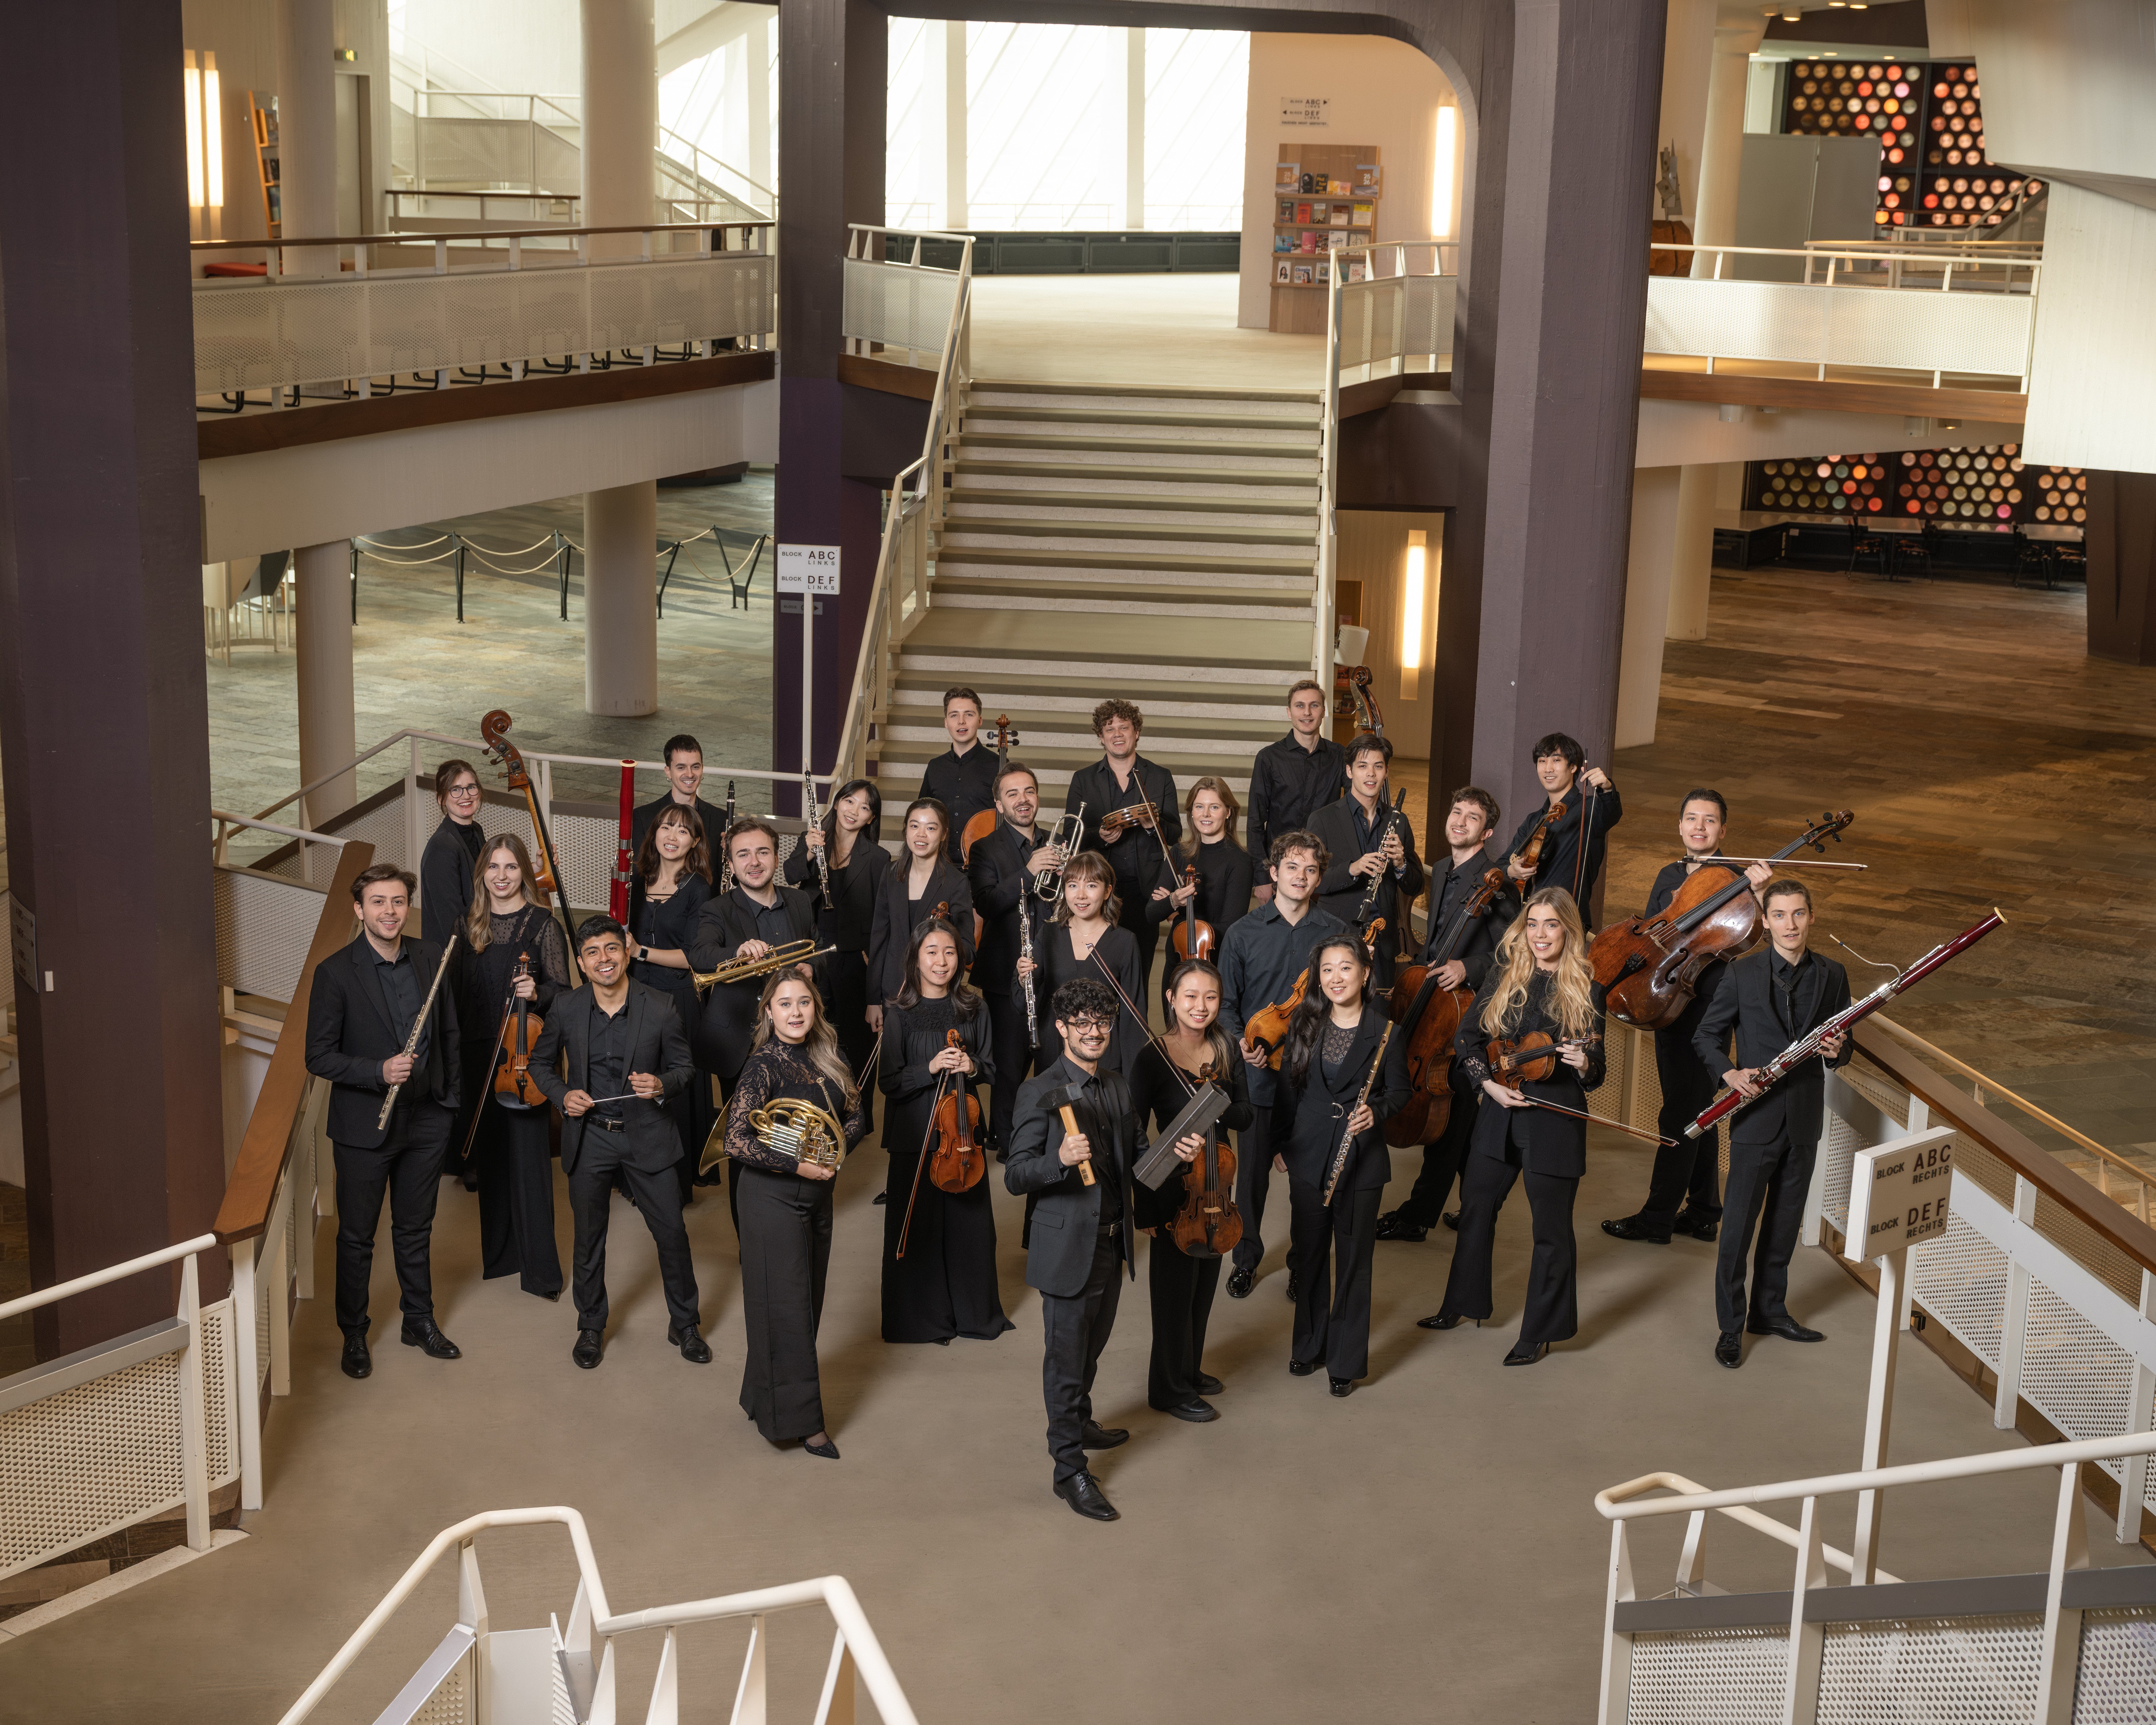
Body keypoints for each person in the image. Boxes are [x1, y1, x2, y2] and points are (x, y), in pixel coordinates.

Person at [1008, 978, 1180, 1522]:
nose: (1094, 1031)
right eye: (1081, 1022)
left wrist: (1176, 1152)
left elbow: (1141, 1159)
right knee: (1065, 1362)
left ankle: (1079, 1421)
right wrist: (1059, 1159)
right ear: (1061, 1027)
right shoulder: (1039, 1091)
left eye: (1102, 1022)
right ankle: (1069, 1470)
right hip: (1066, 1249)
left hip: (1111, 1241)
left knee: (1091, 1349)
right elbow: (1016, 1175)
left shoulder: (1118, 1086)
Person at [1420, 888, 1607, 1366]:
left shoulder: (1588, 989)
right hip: (1500, 1109)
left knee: (1551, 1230)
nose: (1540, 934)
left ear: (1568, 930)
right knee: (1476, 1207)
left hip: (1555, 1120)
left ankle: (1541, 1332)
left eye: (1551, 924)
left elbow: (1597, 1073)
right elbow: (1468, 1038)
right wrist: (1487, 1084)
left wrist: (1584, 1062)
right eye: (1533, 924)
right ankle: (1461, 1303)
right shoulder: (1506, 975)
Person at [303, 863, 464, 1381]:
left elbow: (450, 1033)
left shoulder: (430, 955)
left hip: (427, 1118)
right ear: (359, 909)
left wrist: (450, 1104)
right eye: (378, 902)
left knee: (416, 1227)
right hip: (364, 1126)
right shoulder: (335, 972)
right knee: (357, 1237)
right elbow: (318, 1056)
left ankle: (418, 1320)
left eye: (397, 901)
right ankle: (354, 1332)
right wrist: (378, 1071)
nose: (390, 912)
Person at [528, 917, 706, 1370]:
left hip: (648, 1135)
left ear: (626, 953)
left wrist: (661, 1084)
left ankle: (685, 1324)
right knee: (589, 1239)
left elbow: (686, 1069)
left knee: (672, 1233)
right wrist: (562, 1095)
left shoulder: (661, 1005)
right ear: (581, 963)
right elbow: (539, 1064)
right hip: (591, 1137)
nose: (603, 959)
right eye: (592, 953)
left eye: (611, 949)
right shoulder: (566, 1007)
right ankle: (591, 1324)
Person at [1602, 789, 1773, 1247]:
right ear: (1680, 826)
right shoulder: (1669, 874)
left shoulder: (1738, 881)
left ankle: (1656, 1219)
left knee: (1679, 1114)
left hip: (1707, 1009)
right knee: (1697, 1108)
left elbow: (1762, 935)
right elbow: (1654, 934)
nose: (1699, 827)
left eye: (1709, 820)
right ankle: (1703, 1211)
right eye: (1692, 818)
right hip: (1668, 998)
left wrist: (1759, 895)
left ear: (1723, 830)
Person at [1693, 878, 1852, 1369]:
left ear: (1812, 916)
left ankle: (1770, 1312)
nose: (1790, 924)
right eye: (1779, 915)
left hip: (1803, 1116)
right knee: (1738, 1229)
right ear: (1765, 921)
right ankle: (1730, 1327)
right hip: (1756, 1119)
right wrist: (1730, 1073)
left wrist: (1837, 1051)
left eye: (1799, 914)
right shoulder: (1741, 973)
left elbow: (1845, 1045)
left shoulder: (1833, 974)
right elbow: (1706, 1037)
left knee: (1784, 1224)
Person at [725, 968, 868, 1456]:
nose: (795, 1012)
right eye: (784, 1004)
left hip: (818, 1192)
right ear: (769, 1012)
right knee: (786, 1309)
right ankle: (807, 1425)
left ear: (816, 1007)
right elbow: (736, 1141)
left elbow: (857, 1114)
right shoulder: (762, 1066)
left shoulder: (831, 1055)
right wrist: (800, 1164)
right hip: (770, 1198)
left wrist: (834, 1154)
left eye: (804, 1002)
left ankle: (760, 1396)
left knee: (804, 1304)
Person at [1377, 786, 1519, 1242]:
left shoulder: (1499, 884)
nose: (1459, 821)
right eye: (1456, 811)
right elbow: (1439, 939)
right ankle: (1482, 1204)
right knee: (1461, 1123)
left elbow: (1514, 955)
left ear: (1487, 832)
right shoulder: (1440, 868)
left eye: (1472, 817)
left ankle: (1418, 1216)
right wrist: (1418, 975)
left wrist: (1468, 967)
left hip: (1469, 1013)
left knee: (1450, 1121)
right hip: (1435, 1006)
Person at [1272, 938, 1411, 1395]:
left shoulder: (1386, 1032)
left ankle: (1345, 1361)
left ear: (1365, 973)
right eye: (1327, 969)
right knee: (1309, 1254)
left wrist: (1377, 1110)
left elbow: (1401, 1092)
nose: (1335, 978)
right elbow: (1288, 1090)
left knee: (1354, 1262)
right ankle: (1309, 1345)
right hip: (1308, 1151)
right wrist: (1280, 1143)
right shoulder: (1304, 1024)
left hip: (1361, 1159)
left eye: (1345, 968)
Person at [1216, 831, 1348, 1301]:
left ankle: (1302, 1265)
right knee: (1251, 1178)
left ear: (1319, 878)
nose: (1301, 876)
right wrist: (1241, 1044)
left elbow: (1347, 1003)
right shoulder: (1242, 932)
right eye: (1292, 867)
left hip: (1313, 1080)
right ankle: (1245, 1259)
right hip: (1257, 1078)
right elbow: (1226, 1004)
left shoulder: (1336, 934)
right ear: (1274, 873)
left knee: (1307, 1183)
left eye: (1311, 869)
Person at [1127, 960, 1253, 1421]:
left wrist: (1214, 1104)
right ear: (1172, 999)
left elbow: (1245, 1115)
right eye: (1191, 996)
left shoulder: (1225, 1050)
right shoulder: (1152, 1057)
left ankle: (1189, 1370)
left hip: (1214, 1188)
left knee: (1201, 1290)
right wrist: (1144, 1207)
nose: (1201, 1006)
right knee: (1173, 1295)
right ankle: (1167, 1388)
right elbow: (1134, 1133)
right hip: (1172, 1189)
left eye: (1211, 997)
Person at [877, 919, 1012, 1345]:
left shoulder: (975, 1008)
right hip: (915, 1135)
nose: (941, 961)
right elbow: (889, 1081)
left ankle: (972, 1315)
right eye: (932, 952)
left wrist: (972, 1066)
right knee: (917, 1227)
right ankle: (920, 1320)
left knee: (969, 1229)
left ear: (961, 958)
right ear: (916, 959)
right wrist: (930, 1068)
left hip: (962, 1135)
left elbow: (991, 1068)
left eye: (950, 952)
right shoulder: (898, 1012)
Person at [457, 835, 570, 1302]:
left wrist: (537, 992)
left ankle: (540, 1271)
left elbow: (564, 993)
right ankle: (502, 1257)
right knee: (491, 1159)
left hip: (523, 1058)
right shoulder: (469, 926)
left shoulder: (543, 925)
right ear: (482, 873)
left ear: (524, 871)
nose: (501, 876)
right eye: (493, 867)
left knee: (529, 1163)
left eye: (510, 867)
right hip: (479, 1057)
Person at [688, 818, 823, 1099]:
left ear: (776, 858)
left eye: (763, 852)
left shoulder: (800, 901)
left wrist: (811, 967)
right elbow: (700, 954)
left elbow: (818, 949)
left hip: (798, 1034)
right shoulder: (717, 909)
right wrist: (737, 954)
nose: (754, 862)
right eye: (743, 854)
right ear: (731, 865)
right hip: (741, 1040)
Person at [968, 763, 1062, 1153]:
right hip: (1006, 968)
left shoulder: (1056, 842)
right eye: (1012, 794)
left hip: (1054, 964)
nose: (1022, 800)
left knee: (1052, 1059)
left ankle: (1044, 1138)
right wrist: (1028, 871)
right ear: (999, 803)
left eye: (1029, 791)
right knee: (1009, 1063)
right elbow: (987, 903)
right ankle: (1007, 1143)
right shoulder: (985, 849)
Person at [626, 805, 717, 1198]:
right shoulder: (636, 880)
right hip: (635, 993)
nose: (672, 836)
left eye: (683, 831)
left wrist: (640, 952)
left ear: (695, 842)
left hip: (678, 998)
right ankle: (637, 1177)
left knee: (673, 1086)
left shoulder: (698, 889)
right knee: (638, 1079)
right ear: (655, 833)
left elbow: (695, 956)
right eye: (667, 827)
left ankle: (676, 1182)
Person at [785, 778, 888, 1124]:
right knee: (812, 1034)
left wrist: (874, 976)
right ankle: (814, 1111)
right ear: (838, 802)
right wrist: (809, 850)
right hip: (813, 953)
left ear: (871, 818)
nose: (854, 811)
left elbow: (881, 919)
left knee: (855, 1040)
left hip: (854, 957)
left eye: (864, 807)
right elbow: (790, 874)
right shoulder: (814, 838)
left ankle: (857, 1116)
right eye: (849, 801)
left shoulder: (878, 858)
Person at [1064, 699, 1180, 1002]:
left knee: (1137, 976)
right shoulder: (1083, 779)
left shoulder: (1160, 776)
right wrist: (1100, 837)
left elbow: (1176, 834)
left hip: (1145, 894)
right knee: (1097, 975)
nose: (1117, 734)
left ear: (1136, 732)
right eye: (1109, 729)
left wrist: (1153, 826)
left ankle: (1133, 1030)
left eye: (1124, 728)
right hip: (1098, 894)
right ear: (1101, 737)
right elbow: (1071, 834)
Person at [1306, 731, 1426, 991]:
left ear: (1386, 772)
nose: (1371, 774)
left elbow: (1416, 886)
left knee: (1378, 1008)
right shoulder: (1323, 819)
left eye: (1378, 767)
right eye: (1363, 766)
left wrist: (1401, 864)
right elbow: (1311, 881)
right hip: (1337, 935)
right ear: (1349, 771)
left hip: (1383, 939)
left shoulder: (1398, 821)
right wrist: (1353, 869)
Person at [1021, 851, 1147, 1076]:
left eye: (1091, 886)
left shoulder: (1125, 941)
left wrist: (1131, 1080)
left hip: (1102, 1051)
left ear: (1107, 891)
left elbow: (1134, 1019)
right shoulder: (1049, 933)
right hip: (1054, 1049)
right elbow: (1027, 1000)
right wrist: (1023, 979)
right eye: (1072, 886)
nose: (1081, 896)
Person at [1144, 777, 1255, 1012]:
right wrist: (1174, 900)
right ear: (1192, 813)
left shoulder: (1240, 861)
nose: (1206, 814)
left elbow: (1231, 927)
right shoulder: (1178, 853)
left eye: (1214, 807)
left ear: (1228, 812)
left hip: (1215, 965)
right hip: (1177, 963)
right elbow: (1151, 914)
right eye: (1199, 807)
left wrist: (1179, 920)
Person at [866, 797, 976, 1022]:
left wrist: (941, 953)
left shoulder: (956, 883)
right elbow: (879, 939)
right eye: (915, 826)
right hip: (893, 992)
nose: (921, 835)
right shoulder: (891, 874)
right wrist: (873, 999)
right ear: (906, 830)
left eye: (931, 828)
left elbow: (968, 949)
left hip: (936, 995)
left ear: (944, 834)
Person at [1502, 733, 1621, 925]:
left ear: (1573, 767)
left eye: (1556, 760)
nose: (1548, 768)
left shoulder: (1590, 809)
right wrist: (1511, 870)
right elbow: (1502, 863)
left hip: (1568, 920)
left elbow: (1611, 813)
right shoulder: (1534, 820)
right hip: (1530, 919)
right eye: (1542, 761)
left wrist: (1607, 788)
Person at [1245, 679, 1346, 903]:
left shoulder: (1340, 756)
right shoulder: (1268, 758)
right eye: (1300, 706)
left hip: (1325, 870)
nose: (1307, 713)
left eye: (1314, 705)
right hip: (1281, 869)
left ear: (1324, 711)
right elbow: (1255, 822)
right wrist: (1261, 878)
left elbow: (1354, 809)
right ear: (1289, 712)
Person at [918, 686, 1001, 865]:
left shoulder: (998, 765)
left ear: (980, 721)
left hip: (984, 865)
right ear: (946, 722)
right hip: (940, 864)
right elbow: (921, 814)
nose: (961, 721)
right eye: (954, 715)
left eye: (969, 715)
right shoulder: (935, 767)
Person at [629, 733, 734, 864]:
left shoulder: (721, 819)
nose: (690, 774)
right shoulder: (642, 817)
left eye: (696, 767)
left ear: (702, 768)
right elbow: (639, 871)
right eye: (681, 768)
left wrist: (732, 853)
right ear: (668, 772)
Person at [419, 758, 485, 952]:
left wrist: (534, 868)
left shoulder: (475, 831)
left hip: (478, 938)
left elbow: (488, 875)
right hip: (456, 955)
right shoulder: (442, 848)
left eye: (471, 788)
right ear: (441, 799)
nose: (466, 796)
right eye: (456, 790)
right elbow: (454, 923)